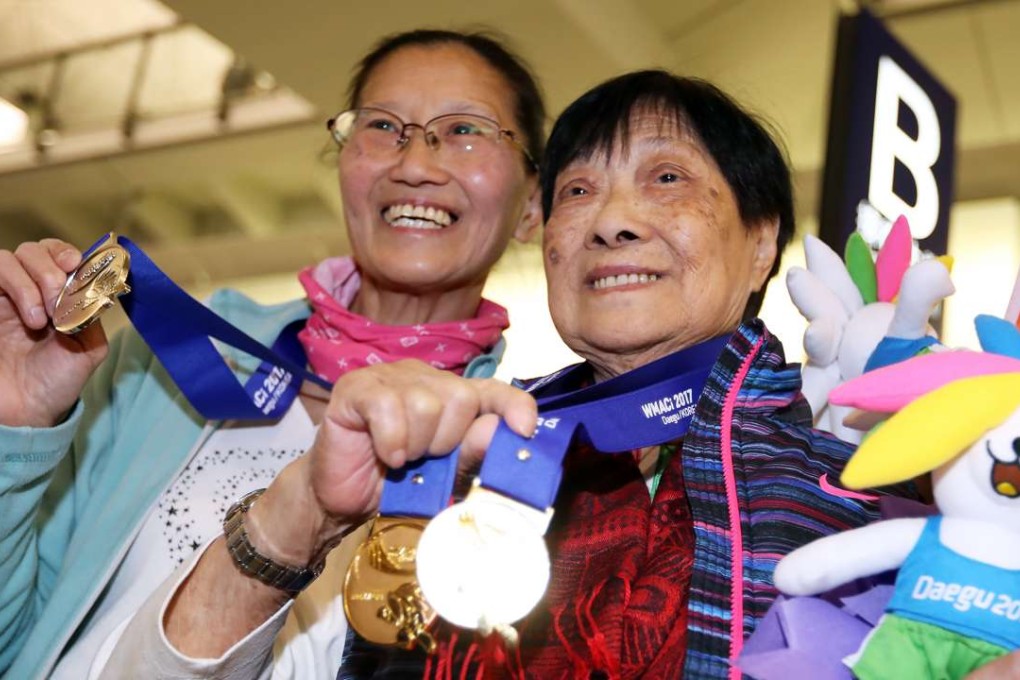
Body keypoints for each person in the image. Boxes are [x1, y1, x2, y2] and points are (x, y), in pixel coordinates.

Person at [99, 69, 922, 680]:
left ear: (761, 242)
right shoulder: (464, 465)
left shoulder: (862, 486)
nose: (612, 221)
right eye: (578, 190)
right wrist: (304, 511)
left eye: (666, 179)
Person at [0, 28, 545, 679]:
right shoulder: (168, 359)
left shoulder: (508, 460)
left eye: (465, 130)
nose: (415, 163)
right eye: (382, 125)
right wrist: (19, 425)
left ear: (532, 206)